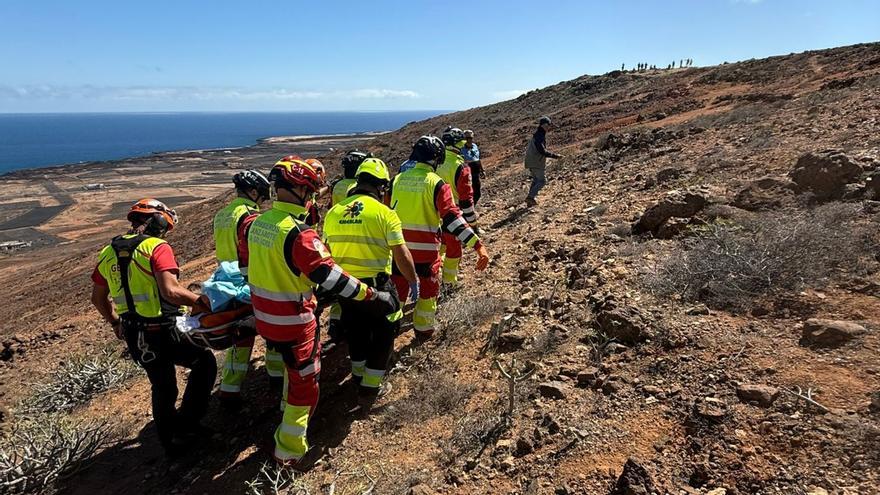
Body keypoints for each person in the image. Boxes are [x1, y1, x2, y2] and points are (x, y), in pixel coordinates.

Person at [239, 156, 397, 465]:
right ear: (300, 190)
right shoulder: (300, 235)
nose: (312, 197)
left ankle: (284, 411)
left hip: (264, 318)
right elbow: (331, 277)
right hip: (295, 323)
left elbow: (248, 270)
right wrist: (372, 295)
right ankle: (289, 451)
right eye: (310, 191)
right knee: (305, 386)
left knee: (288, 369)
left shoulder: (253, 224)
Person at [90, 199, 216, 457]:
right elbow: (170, 291)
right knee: (204, 363)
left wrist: (115, 322)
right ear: (157, 221)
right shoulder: (156, 247)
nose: (165, 232)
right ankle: (188, 425)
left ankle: (171, 442)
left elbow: (98, 298)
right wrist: (202, 303)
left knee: (162, 385)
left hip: (135, 333)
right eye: (165, 226)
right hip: (164, 328)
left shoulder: (108, 251)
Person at [323, 157, 417, 407]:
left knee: (356, 331)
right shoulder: (385, 213)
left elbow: (326, 251)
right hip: (377, 286)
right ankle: (370, 388)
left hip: (344, 288)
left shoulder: (334, 212)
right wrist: (413, 280)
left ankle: (357, 376)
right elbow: (401, 253)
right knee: (386, 332)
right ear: (381, 187)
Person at [389, 136, 489, 339]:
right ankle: (423, 331)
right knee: (428, 294)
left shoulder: (397, 180)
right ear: (437, 158)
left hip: (399, 251)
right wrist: (477, 245)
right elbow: (452, 219)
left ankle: (388, 331)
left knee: (397, 292)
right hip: (426, 253)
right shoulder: (436, 183)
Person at [212, 170, 281, 402]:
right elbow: (250, 251)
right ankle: (276, 377)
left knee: (238, 335)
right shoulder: (249, 216)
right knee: (271, 328)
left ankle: (230, 388)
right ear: (253, 192)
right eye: (261, 195)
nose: (262, 200)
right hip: (248, 279)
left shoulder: (222, 214)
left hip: (225, 279)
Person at [436, 127, 478, 286]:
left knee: (439, 246)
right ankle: (449, 283)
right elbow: (466, 200)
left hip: (432, 213)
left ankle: (436, 271)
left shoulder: (434, 162)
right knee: (454, 249)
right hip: (452, 214)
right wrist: (472, 223)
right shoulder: (460, 166)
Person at [524, 116, 563, 207]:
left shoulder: (538, 134)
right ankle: (530, 197)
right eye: (548, 125)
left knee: (536, 180)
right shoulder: (539, 135)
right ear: (544, 125)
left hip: (531, 161)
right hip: (536, 162)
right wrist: (555, 156)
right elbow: (541, 151)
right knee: (542, 181)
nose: (549, 127)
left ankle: (530, 201)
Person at [461, 130, 484, 207]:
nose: (469, 140)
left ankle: (472, 207)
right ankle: (469, 210)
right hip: (468, 175)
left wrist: (482, 170)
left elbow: (477, 158)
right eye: (467, 138)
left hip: (476, 174)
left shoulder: (474, 146)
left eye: (470, 138)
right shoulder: (461, 149)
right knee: (469, 193)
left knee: (477, 193)